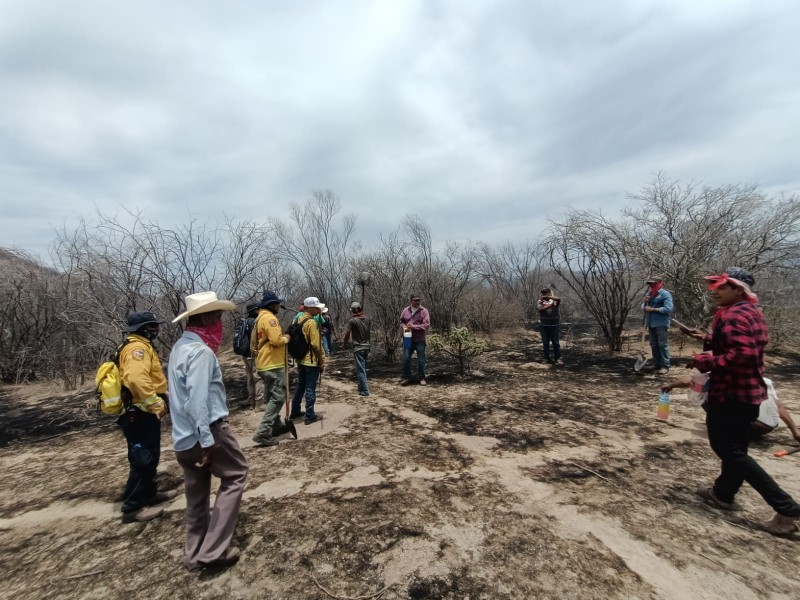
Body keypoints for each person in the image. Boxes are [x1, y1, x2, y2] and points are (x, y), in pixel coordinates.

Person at [685, 268, 800, 535]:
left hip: (731, 393)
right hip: (747, 395)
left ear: (738, 289)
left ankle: (787, 507)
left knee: (728, 450)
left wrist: (706, 360)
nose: (715, 291)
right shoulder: (749, 312)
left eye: (722, 287)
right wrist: (709, 339)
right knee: (736, 448)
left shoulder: (735, 314)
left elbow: (743, 356)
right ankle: (723, 494)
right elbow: (742, 346)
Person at [168, 291, 248, 570]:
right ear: (204, 318)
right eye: (217, 316)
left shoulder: (179, 348)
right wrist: (207, 442)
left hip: (182, 438)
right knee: (236, 475)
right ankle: (213, 551)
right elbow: (197, 400)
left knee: (197, 496)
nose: (220, 322)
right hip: (208, 431)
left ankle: (194, 553)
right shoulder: (201, 353)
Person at [117, 311, 175, 523]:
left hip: (143, 412)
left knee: (150, 455)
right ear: (142, 328)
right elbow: (135, 379)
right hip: (139, 412)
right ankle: (133, 507)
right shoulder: (137, 349)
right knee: (142, 459)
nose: (156, 329)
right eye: (152, 325)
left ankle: (149, 493)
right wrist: (154, 401)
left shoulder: (140, 346)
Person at [662, 377, 800, 442]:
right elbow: (779, 407)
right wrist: (795, 432)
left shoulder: (725, 373)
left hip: (749, 426)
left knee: (708, 397)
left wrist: (670, 385)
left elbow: (689, 382)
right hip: (768, 426)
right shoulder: (765, 380)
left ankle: (721, 427)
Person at [250, 291, 295, 447]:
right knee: (277, 397)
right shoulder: (270, 319)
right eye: (277, 304)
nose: (278, 307)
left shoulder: (259, 319)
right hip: (272, 363)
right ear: (271, 305)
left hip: (264, 362)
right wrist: (286, 338)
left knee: (271, 396)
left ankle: (276, 426)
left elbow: (254, 343)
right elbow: (276, 340)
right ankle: (263, 432)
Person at [290, 297, 326, 425]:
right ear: (309, 308)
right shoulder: (311, 323)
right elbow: (316, 345)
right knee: (310, 387)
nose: (318, 309)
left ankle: (295, 411)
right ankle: (310, 415)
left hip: (300, 359)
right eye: (316, 307)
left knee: (301, 385)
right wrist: (321, 360)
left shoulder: (297, 319)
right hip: (311, 360)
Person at [643, 276, 674, 375]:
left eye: (653, 283)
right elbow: (644, 307)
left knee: (662, 345)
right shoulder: (649, 294)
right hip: (650, 323)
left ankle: (665, 366)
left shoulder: (665, 294)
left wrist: (653, 309)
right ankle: (656, 364)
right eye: (650, 284)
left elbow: (668, 309)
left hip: (661, 323)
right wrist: (645, 302)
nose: (651, 286)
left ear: (659, 283)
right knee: (653, 345)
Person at [400, 294, 431, 386]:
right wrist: (404, 326)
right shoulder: (406, 310)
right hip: (408, 337)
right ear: (411, 301)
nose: (417, 302)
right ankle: (407, 377)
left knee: (421, 359)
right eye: (415, 300)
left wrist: (414, 327)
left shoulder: (424, 311)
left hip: (419, 339)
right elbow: (401, 321)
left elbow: (426, 325)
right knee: (406, 358)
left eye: (418, 300)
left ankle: (421, 377)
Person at [342, 301, 371, 396]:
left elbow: (347, 333)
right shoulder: (367, 319)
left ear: (353, 311)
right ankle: (361, 387)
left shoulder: (352, 321)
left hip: (358, 348)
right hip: (367, 346)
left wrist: (344, 343)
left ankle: (365, 391)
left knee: (361, 370)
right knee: (363, 368)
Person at [241, 302, 262, 407]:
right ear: (254, 311)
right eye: (258, 309)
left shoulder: (244, 322)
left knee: (249, 378)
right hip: (253, 354)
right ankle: (259, 402)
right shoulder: (254, 322)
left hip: (245, 354)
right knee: (258, 378)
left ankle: (251, 400)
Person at [537, 288, 562, 364]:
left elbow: (559, 299)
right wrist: (550, 305)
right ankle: (546, 358)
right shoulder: (540, 301)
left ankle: (558, 358)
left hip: (554, 325)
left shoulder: (554, 301)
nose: (544, 294)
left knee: (555, 342)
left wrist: (550, 298)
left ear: (550, 293)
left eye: (546, 293)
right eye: (543, 293)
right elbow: (540, 309)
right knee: (545, 343)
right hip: (544, 326)